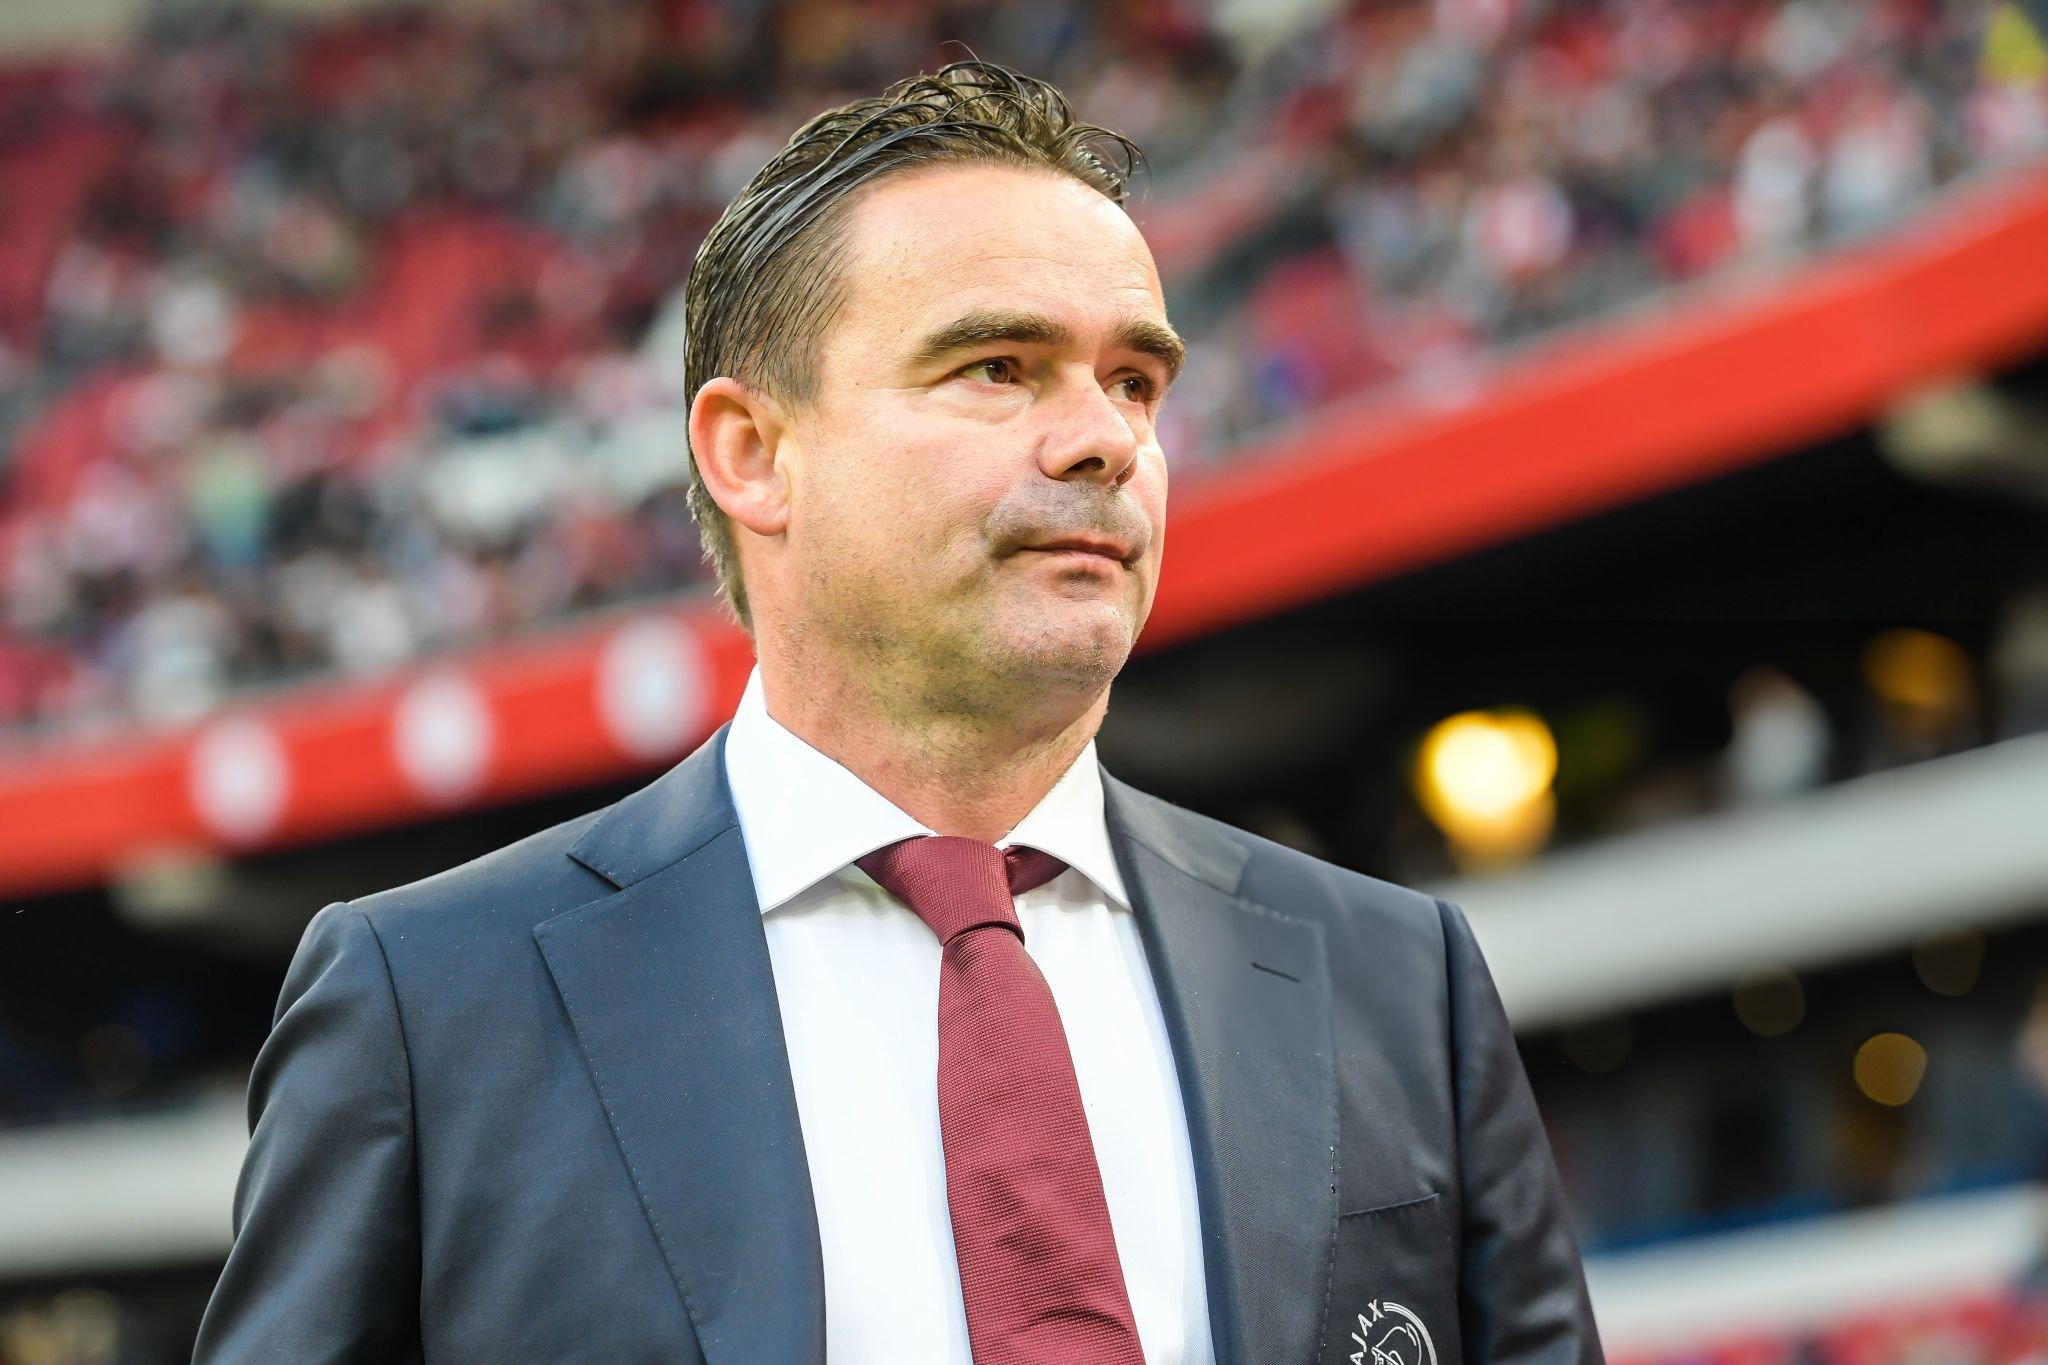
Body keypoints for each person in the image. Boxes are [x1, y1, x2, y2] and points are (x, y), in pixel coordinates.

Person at [193, 60, 1602, 1365]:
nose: (1105, 440)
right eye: (998, 368)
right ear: (754, 454)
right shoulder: (432, 1006)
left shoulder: (1398, 981)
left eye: (1134, 381)